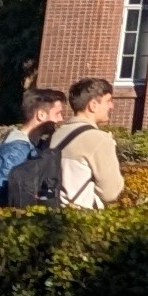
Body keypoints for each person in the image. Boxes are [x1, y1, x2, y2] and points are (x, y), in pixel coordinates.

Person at [45, 79, 125, 209]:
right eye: (108, 101)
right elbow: (111, 193)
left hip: (52, 213)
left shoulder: (57, 135)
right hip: (82, 219)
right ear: (93, 105)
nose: (112, 106)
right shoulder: (100, 139)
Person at [0, 86, 68, 206]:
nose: (61, 119)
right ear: (41, 115)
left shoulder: (34, 146)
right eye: (57, 113)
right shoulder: (16, 150)